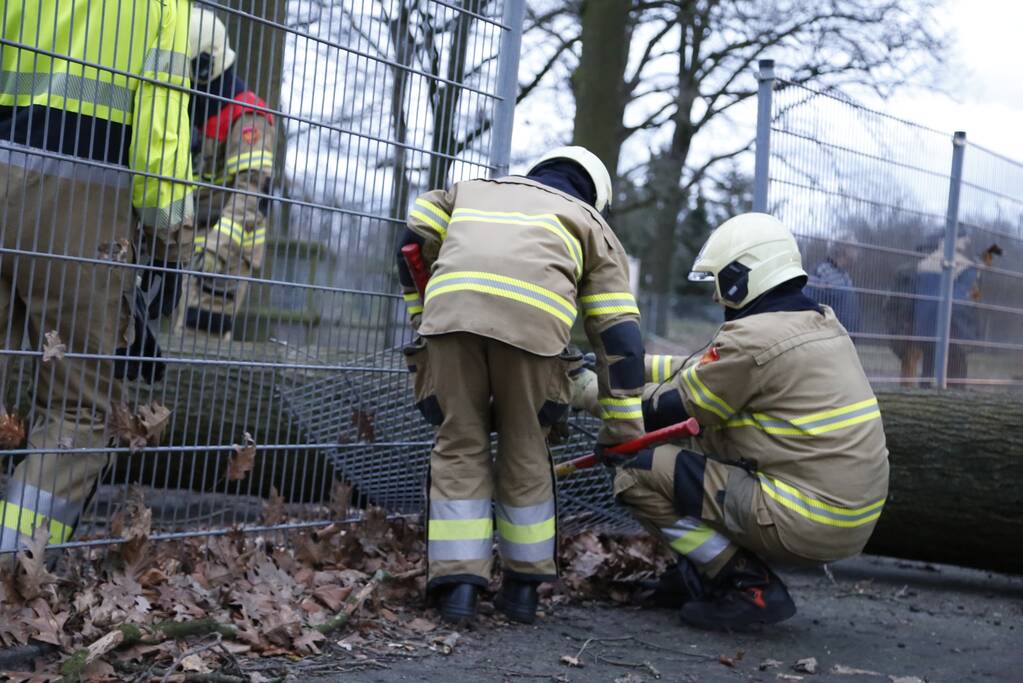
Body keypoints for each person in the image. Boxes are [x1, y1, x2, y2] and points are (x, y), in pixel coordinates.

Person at [571, 213, 889, 629]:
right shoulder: (815, 323)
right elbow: (693, 367)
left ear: (745, 276)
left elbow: (662, 410)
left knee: (638, 471)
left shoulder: (753, 340)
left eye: (720, 283)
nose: (716, 298)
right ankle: (701, 573)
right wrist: (614, 364)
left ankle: (744, 583)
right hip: (844, 515)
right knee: (698, 446)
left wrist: (582, 390)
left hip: (804, 517)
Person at [399, 146, 645, 624]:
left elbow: (411, 241)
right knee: (526, 447)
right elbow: (620, 339)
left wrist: (422, 315)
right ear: (595, 193)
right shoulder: (591, 224)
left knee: (459, 442)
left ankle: (459, 593)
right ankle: (522, 594)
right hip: (534, 337)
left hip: (450, 321)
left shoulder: (470, 191)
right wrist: (622, 427)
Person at [0, 0, 193, 551]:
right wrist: (171, 239)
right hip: (84, 201)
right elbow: (160, 135)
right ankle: (14, 568)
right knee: (79, 411)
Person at [175, 7, 276, 340]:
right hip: (189, 242)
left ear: (205, 63)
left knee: (198, 342)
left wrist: (215, 252)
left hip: (225, 254)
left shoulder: (249, 118)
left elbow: (251, 196)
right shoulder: (194, 105)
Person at [805, 243, 860, 332]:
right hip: (828, 336)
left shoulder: (844, 274)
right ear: (843, 249)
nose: (858, 250)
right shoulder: (821, 270)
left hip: (845, 335)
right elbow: (809, 304)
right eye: (854, 246)